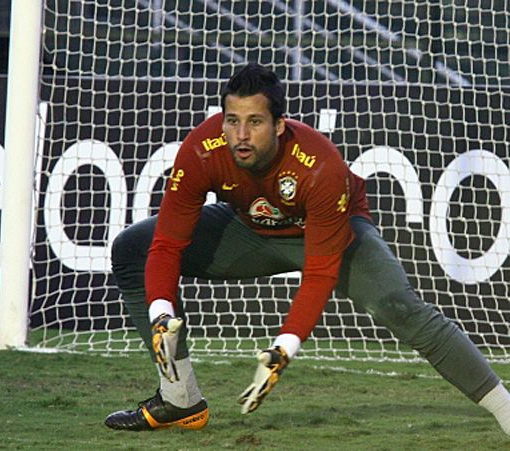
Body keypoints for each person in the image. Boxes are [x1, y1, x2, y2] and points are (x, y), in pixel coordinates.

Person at [105, 62, 510, 433]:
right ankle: (180, 401)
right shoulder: (200, 150)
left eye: (255, 122)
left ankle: (506, 409)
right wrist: (161, 315)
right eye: (232, 121)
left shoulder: (319, 165)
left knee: (400, 308)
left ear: (280, 125)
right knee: (132, 249)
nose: (241, 135)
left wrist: (285, 347)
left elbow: (318, 274)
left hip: (330, 233)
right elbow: (167, 244)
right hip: (250, 228)